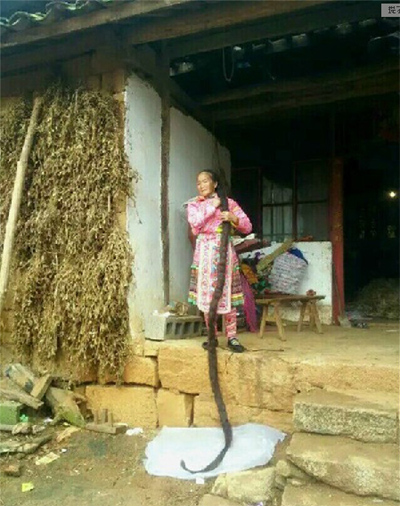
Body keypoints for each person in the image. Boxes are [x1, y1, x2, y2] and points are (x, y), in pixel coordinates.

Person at [187, 170, 252, 353]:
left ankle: (232, 338)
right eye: (198, 182)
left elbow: (247, 227)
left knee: (227, 293)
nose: (201, 185)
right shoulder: (193, 205)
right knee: (208, 296)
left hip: (224, 253)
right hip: (204, 255)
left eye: (205, 181)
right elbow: (195, 226)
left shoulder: (229, 204)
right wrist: (212, 206)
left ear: (215, 183)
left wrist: (233, 218)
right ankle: (212, 337)